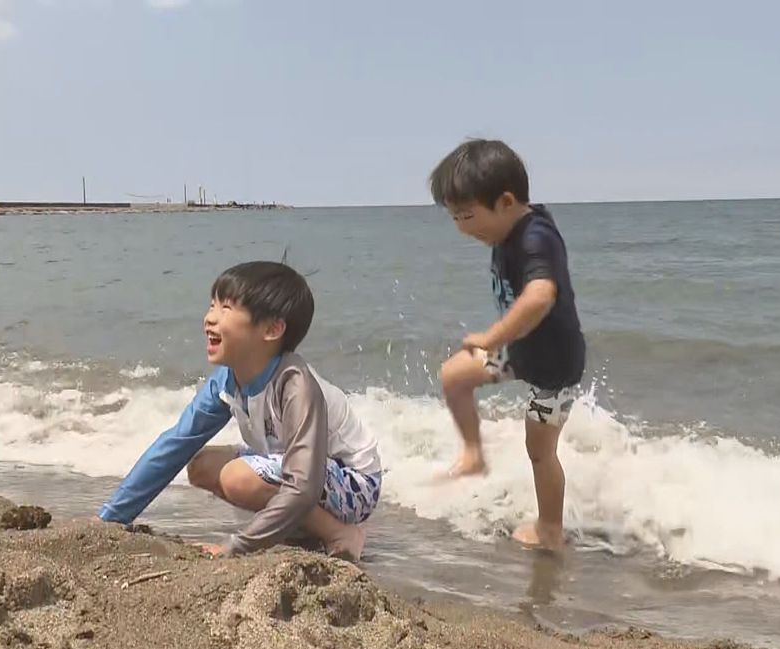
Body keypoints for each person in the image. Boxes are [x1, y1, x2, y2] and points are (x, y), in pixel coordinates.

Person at [97, 261, 382, 561]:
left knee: (238, 477)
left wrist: (239, 546)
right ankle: (302, 527)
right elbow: (176, 444)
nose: (209, 319)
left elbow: (304, 484)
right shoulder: (229, 378)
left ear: (272, 329)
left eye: (226, 308)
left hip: (354, 482)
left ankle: (340, 533)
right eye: (212, 305)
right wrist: (111, 519)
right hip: (299, 471)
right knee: (201, 466)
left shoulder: (295, 384)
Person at [430, 139, 586, 550]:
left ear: (505, 201)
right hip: (521, 352)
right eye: (454, 218)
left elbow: (540, 297)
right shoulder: (502, 232)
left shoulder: (536, 237)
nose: (462, 227)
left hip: (554, 367)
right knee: (453, 376)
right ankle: (473, 454)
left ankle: (550, 530)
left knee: (539, 451)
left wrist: (491, 337)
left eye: (466, 215)